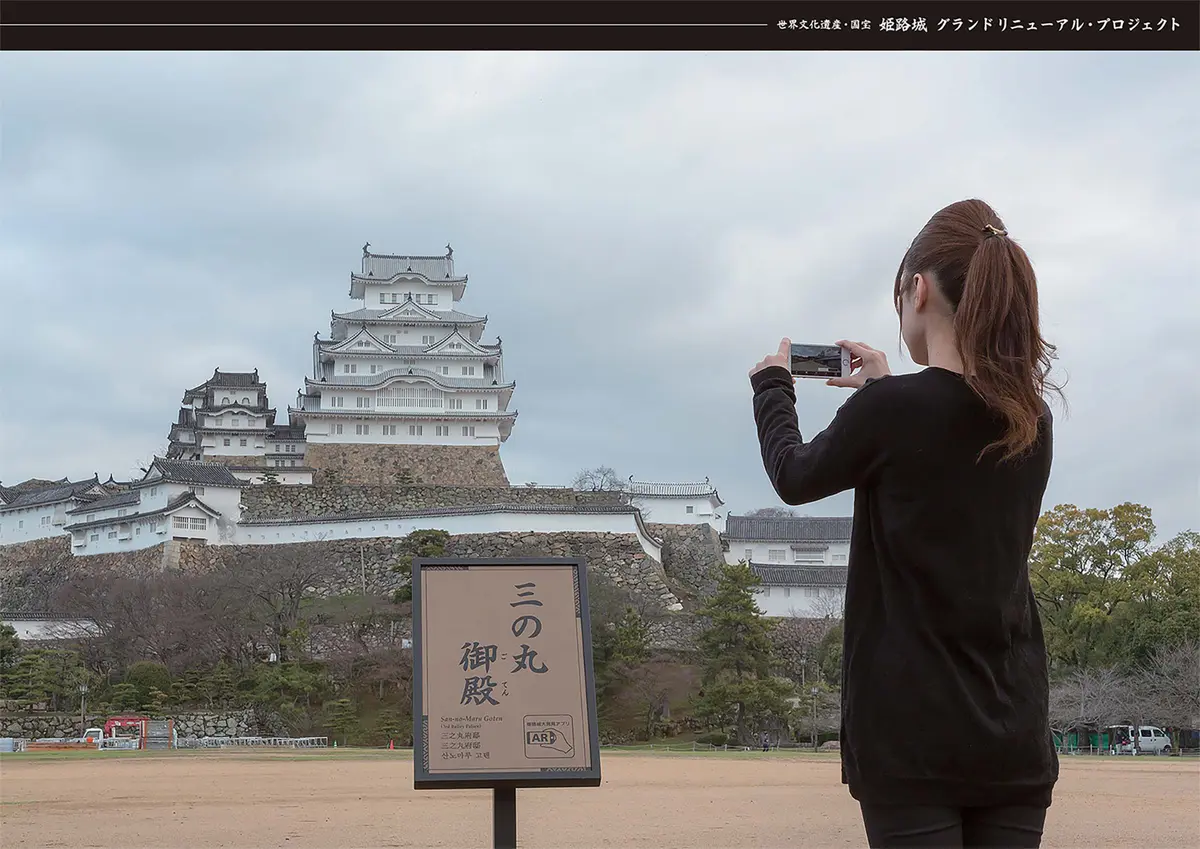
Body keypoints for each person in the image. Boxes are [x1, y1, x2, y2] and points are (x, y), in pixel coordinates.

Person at [748, 199, 1060, 848]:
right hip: (1012, 729)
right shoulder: (1030, 419)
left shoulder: (893, 412)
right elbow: (942, 456)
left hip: (910, 734)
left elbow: (793, 473)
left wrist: (774, 386)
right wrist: (886, 395)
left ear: (918, 290)